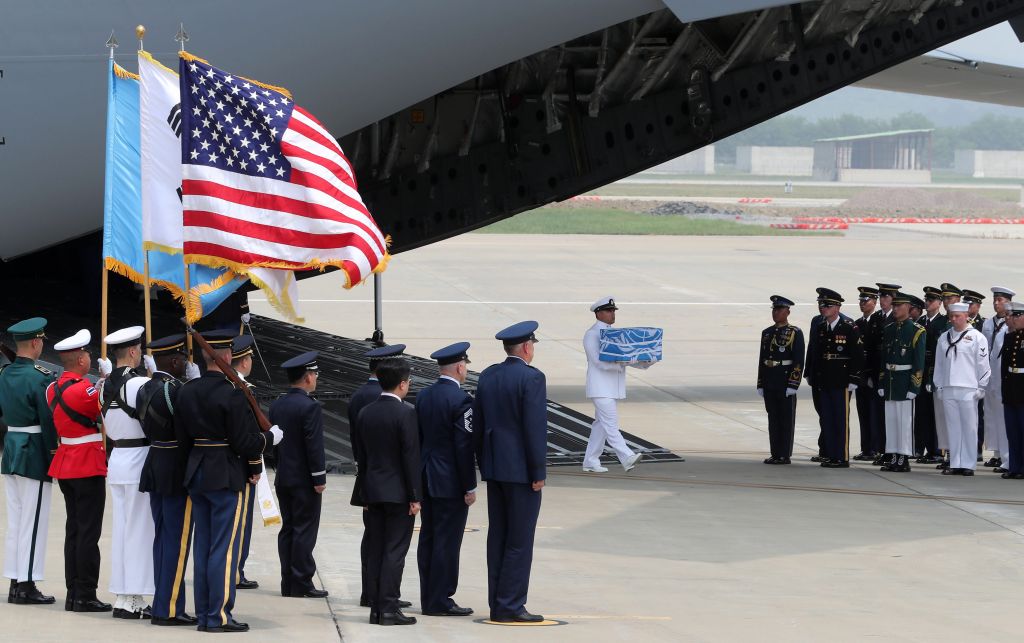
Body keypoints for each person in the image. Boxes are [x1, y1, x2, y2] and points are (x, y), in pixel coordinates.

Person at [175, 329, 283, 633]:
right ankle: (218, 615)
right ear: (226, 357)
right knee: (224, 549)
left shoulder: (188, 390)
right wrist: (270, 438)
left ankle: (204, 611)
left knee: (205, 546)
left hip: (197, 472)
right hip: (225, 475)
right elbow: (245, 442)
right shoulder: (232, 394)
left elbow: (184, 441)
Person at [474, 321, 547, 622]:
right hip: (520, 472)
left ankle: (497, 601)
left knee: (499, 537)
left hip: (495, 468)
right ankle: (511, 605)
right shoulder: (532, 378)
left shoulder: (489, 375)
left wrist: (484, 461)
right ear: (528, 348)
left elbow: (478, 424)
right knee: (519, 539)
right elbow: (533, 429)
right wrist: (538, 470)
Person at [136, 334, 199, 627]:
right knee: (176, 539)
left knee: (162, 538)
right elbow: (189, 429)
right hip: (175, 467)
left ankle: (163, 601)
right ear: (174, 361)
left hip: (155, 463)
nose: (185, 365)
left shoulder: (145, 387)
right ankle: (169, 608)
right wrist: (194, 386)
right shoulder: (176, 391)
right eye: (183, 361)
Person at [46, 329, 110, 613]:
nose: (90, 358)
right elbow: (105, 407)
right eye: (87, 355)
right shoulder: (84, 390)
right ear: (81, 360)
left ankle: (74, 591)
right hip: (86, 463)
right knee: (87, 533)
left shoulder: (52, 388)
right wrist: (106, 381)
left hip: (66, 461)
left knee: (74, 529)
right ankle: (85, 593)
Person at [354, 358, 421, 626]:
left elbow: (363, 456)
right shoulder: (406, 413)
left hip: (372, 491)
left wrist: (364, 494)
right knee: (395, 552)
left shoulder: (366, 412)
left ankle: (376, 609)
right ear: (402, 384)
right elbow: (410, 457)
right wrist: (415, 495)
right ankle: (390, 609)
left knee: (377, 550)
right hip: (399, 493)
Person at [416, 342, 476, 616]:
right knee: (447, 542)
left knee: (428, 538)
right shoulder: (462, 401)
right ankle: (441, 599)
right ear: (460, 367)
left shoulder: (424, 396)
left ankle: (429, 596)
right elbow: (463, 447)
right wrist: (469, 485)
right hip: (449, 481)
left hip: (426, 477)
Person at [1, 317, 58, 605]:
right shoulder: (40, 376)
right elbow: (48, 421)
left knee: (17, 520)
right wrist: (54, 454)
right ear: (35, 342)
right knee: (33, 521)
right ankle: (26, 585)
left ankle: (15, 579)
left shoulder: (4, 373)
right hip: (34, 451)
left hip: (11, 449)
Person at [101, 326, 155, 619]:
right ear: (134, 352)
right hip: (138, 458)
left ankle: (124, 595)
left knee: (123, 530)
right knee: (137, 531)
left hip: (118, 458)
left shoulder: (102, 386)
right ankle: (132, 597)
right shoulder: (138, 385)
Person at [270, 351, 329, 599]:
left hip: (284, 476)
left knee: (289, 528)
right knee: (305, 530)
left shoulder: (277, 405)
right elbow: (313, 446)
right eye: (314, 374)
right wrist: (319, 478)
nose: (315, 379)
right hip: (305, 479)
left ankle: (288, 581)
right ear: (307, 378)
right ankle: (302, 581)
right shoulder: (310, 407)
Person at [582, 297, 644, 473]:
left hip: (610, 389)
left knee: (600, 426)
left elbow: (625, 359)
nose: (612, 314)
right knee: (611, 424)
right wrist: (624, 363)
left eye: (613, 311)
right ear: (598, 313)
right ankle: (627, 456)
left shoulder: (614, 335)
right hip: (600, 388)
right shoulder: (592, 334)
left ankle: (590, 461)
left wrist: (643, 362)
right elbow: (599, 362)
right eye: (609, 311)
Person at [804, 289, 864, 468]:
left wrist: (854, 378)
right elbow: (815, 352)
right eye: (821, 305)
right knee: (827, 418)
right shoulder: (821, 327)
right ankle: (830, 453)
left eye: (827, 305)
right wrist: (813, 374)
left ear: (838, 307)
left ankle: (841, 456)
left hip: (841, 380)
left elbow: (858, 355)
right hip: (825, 379)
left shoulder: (848, 326)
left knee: (840, 418)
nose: (823, 308)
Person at [933, 302, 990, 476]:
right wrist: (939, 385)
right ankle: (955, 462)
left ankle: (968, 463)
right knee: (953, 427)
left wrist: (982, 385)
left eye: (958, 316)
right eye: (951, 316)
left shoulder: (977, 337)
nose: (954, 319)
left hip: (968, 387)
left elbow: (983, 364)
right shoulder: (944, 337)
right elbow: (939, 365)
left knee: (969, 427)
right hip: (949, 387)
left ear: (966, 316)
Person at [877, 293, 925, 473]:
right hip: (890, 381)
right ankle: (894, 455)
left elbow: (919, 362)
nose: (895, 309)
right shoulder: (889, 329)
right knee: (891, 421)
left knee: (904, 422)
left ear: (908, 308)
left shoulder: (916, 330)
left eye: (899, 306)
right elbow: (884, 359)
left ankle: (904, 457)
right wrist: (881, 382)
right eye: (894, 306)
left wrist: (915, 385)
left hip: (905, 381)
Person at [756, 296, 804, 465]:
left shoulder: (794, 332)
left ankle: (784, 454)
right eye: (774, 310)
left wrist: (793, 383)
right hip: (770, 380)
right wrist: (760, 383)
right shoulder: (767, 332)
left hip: (784, 381)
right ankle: (775, 452)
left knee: (785, 419)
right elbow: (762, 359)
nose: (776, 313)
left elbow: (798, 360)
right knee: (773, 418)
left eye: (779, 310)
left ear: (787, 312)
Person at [231, 335, 259, 590]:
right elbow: (249, 433)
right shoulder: (242, 391)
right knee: (240, 523)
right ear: (245, 361)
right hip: (240, 467)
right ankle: (236, 571)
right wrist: (255, 466)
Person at [983, 287, 1015, 471]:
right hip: (993, 378)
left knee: (1006, 420)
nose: (996, 303)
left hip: (1008, 380)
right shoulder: (989, 324)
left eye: (1000, 300)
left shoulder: (1010, 330)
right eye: (994, 300)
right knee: (993, 417)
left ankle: (1007, 457)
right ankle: (999, 454)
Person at [915, 287, 946, 464]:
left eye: (932, 300)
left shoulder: (943, 322)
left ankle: (937, 450)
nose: (928, 303)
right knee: (923, 413)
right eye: (927, 299)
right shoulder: (920, 321)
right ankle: (926, 448)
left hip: (934, 372)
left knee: (936, 415)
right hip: (921, 372)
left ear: (939, 303)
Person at [852, 286, 881, 461]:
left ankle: (875, 448)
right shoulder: (858, 324)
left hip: (874, 376)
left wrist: (871, 375)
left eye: (866, 300)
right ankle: (866, 448)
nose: (862, 304)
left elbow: (876, 352)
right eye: (861, 300)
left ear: (874, 302)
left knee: (874, 414)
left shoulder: (878, 321)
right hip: (860, 376)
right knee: (863, 413)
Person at [1000, 301, 1024, 479]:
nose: (1013, 319)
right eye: (1012, 316)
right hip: (1011, 390)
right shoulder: (1009, 338)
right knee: (1013, 431)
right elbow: (1004, 368)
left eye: (1017, 316)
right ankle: (1014, 467)